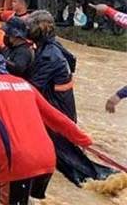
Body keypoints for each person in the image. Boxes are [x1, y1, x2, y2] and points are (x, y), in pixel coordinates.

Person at [0, 44, 92, 205]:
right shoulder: (25, 84)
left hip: (18, 162)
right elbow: (56, 118)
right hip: (47, 159)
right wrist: (84, 140)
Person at [26, 10, 114, 184]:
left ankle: (105, 180)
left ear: (40, 29)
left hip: (57, 113)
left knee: (73, 165)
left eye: (30, 26)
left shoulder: (49, 55)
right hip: (62, 108)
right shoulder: (52, 47)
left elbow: (30, 86)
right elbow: (71, 62)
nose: (27, 29)